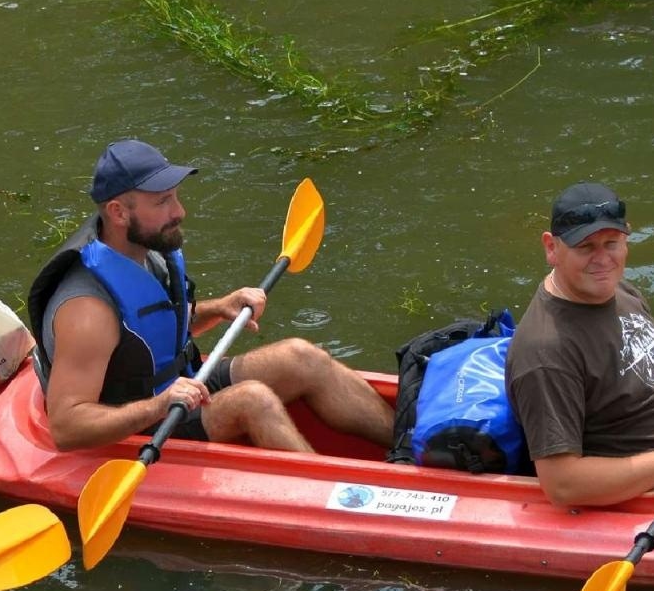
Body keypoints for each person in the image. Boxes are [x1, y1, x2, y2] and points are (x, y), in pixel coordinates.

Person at [27, 139, 395, 452]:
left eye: (175, 197)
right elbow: (67, 427)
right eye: (163, 202)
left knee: (302, 357)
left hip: (180, 385)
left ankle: (411, 449)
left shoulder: (146, 250)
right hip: (139, 419)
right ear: (119, 212)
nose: (179, 212)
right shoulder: (86, 311)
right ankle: (330, 499)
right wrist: (157, 406)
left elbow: (152, 328)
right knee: (252, 399)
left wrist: (220, 308)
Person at [506, 182, 654, 506]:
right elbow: (562, 484)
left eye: (611, 243)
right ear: (551, 248)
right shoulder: (545, 353)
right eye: (586, 247)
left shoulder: (617, 291)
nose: (603, 259)